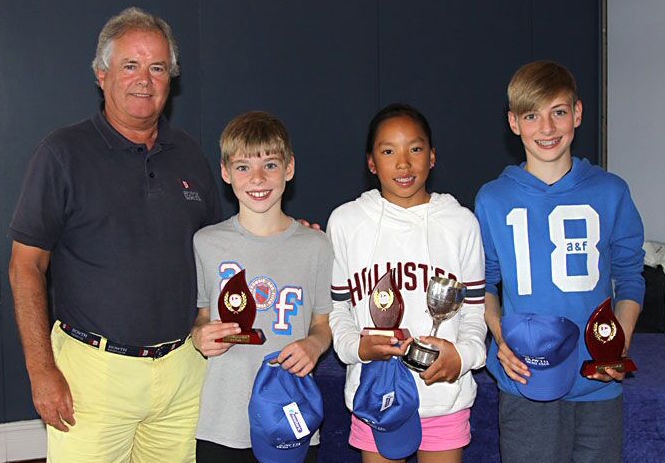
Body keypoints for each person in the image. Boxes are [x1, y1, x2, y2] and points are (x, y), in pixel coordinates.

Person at [8, 7, 221, 463]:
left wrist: (284, 232)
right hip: (93, 375)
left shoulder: (189, 155)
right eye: (130, 65)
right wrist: (41, 369)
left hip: (181, 371)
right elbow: (25, 265)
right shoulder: (62, 153)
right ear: (102, 76)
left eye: (157, 68)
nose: (144, 79)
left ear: (171, 80)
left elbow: (221, 247)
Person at [474, 60, 645, 463]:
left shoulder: (611, 192)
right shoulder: (492, 199)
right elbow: (483, 284)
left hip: (597, 384)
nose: (547, 129)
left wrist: (617, 344)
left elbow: (629, 277)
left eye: (559, 112)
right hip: (527, 381)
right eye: (532, 116)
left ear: (578, 114)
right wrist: (502, 340)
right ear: (514, 123)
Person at [327, 103, 487, 463]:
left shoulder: (460, 223)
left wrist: (462, 357)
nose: (403, 163)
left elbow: (475, 313)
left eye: (415, 149)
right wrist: (357, 349)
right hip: (376, 394)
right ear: (371, 162)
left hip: (443, 396)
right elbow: (338, 310)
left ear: (432, 156)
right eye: (388, 151)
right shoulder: (346, 222)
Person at [191, 111, 333, 463]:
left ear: (289, 169)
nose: (257, 178)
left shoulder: (316, 245)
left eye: (270, 165)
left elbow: (323, 322)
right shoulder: (206, 243)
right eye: (242, 167)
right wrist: (199, 335)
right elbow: (203, 316)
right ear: (225, 173)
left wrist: (314, 346)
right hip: (222, 421)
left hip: (290, 413)